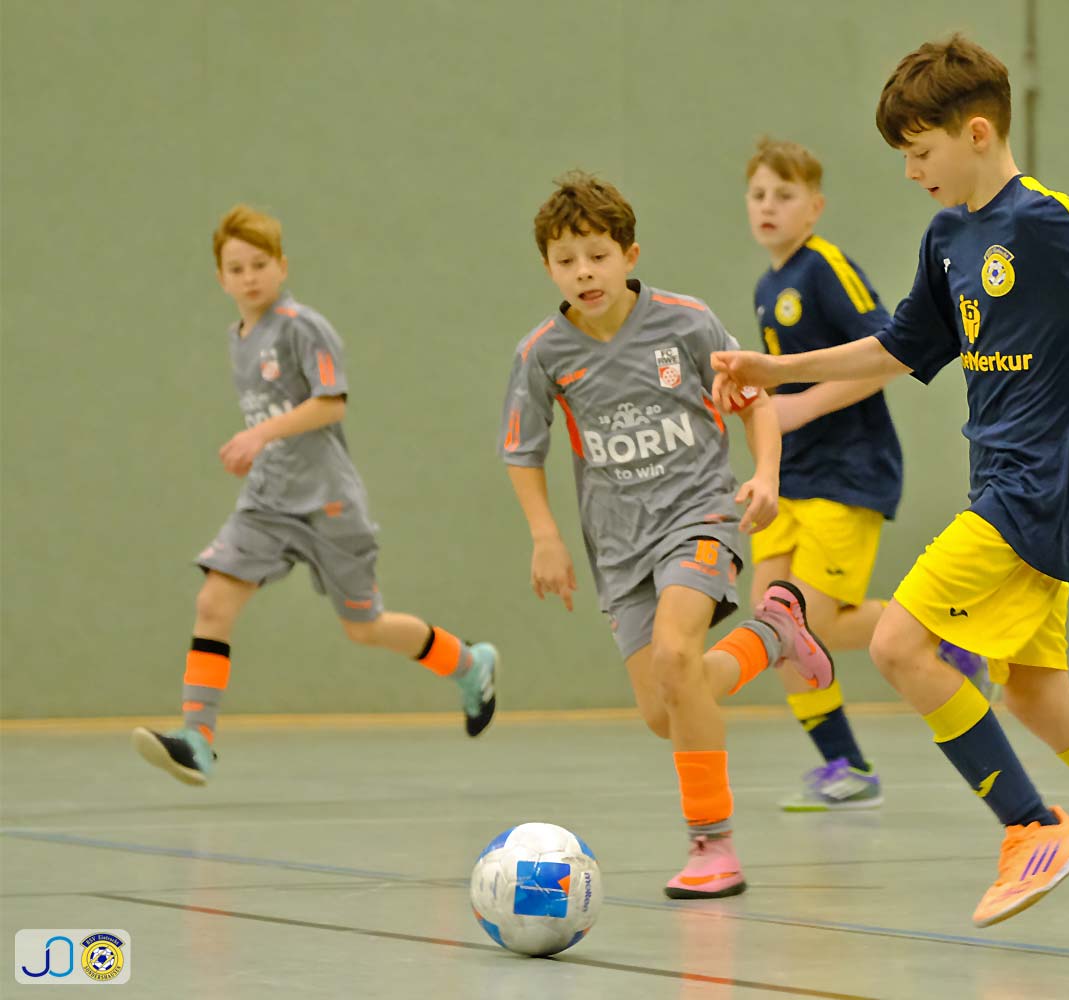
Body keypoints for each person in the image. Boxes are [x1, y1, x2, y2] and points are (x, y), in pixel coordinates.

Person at [712, 36, 1069, 941]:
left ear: (977, 133)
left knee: (899, 643)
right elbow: (898, 350)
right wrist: (774, 368)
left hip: (1035, 489)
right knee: (1033, 694)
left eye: (920, 151)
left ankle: (1031, 828)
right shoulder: (948, 238)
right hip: (1003, 483)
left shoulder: (1047, 222)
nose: (911, 172)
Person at [502, 172, 833, 900]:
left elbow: (756, 403)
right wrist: (545, 537)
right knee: (665, 708)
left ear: (629, 255)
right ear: (547, 268)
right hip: (618, 543)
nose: (584, 272)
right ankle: (773, 633)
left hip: (699, 513)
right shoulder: (543, 354)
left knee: (678, 656)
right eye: (566, 260)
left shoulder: (687, 323)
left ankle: (712, 844)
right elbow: (522, 451)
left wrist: (766, 475)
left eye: (597, 255)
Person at [133, 205, 497, 787]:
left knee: (365, 626)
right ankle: (198, 739)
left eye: (260, 264)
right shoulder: (237, 339)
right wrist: (261, 449)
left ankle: (469, 663)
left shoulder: (303, 327)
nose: (249, 276)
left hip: (328, 503)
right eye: (236, 268)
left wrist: (258, 435)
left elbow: (331, 403)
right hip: (266, 503)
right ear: (221, 278)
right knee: (213, 603)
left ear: (282, 266)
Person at [744, 137, 989, 812]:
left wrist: (799, 408)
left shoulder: (825, 268)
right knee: (773, 626)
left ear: (814, 207)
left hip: (847, 472)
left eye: (785, 195)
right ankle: (846, 767)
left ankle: (946, 634)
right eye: (758, 195)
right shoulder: (767, 286)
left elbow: (887, 354)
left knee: (808, 621)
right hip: (792, 478)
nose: (769, 206)